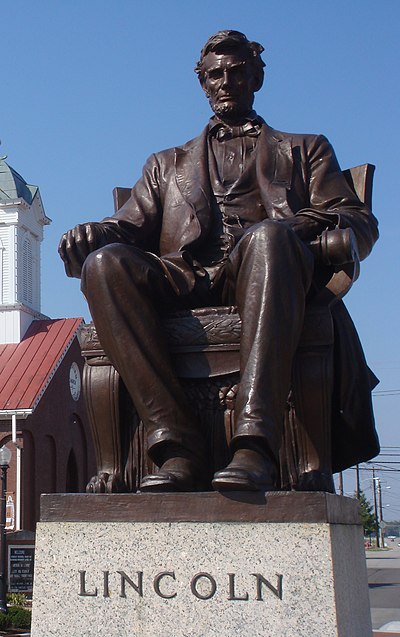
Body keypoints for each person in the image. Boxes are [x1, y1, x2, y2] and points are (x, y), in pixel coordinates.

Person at [59, 30, 379, 493]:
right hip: (185, 277)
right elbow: (127, 226)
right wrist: (93, 234)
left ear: (256, 78)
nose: (224, 82)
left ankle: (255, 443)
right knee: (105, 264)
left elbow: (355, 219)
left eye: (235, 73)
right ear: (202, 83)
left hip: (266, 273)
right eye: (214, 75)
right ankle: (174, 443)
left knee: (268, 238)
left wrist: (298, 228)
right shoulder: (166, 163)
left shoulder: (305, 148)